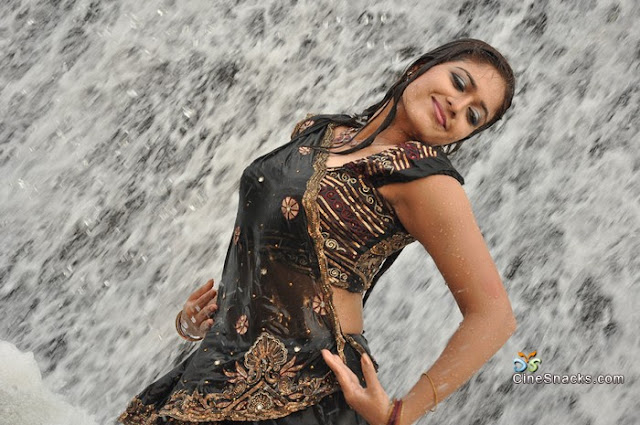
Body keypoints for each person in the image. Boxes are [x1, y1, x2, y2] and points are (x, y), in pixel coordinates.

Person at [118, 38, 517, 425]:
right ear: (419, 68)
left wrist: (402, 413)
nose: (458, 105)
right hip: (217, 367)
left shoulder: (428, 181)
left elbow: (494, 316)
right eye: (459, 83)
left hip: (305, 393)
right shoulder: (320, 131)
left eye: (474, 116)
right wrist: (197, 322)